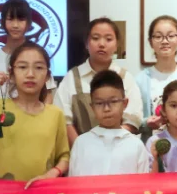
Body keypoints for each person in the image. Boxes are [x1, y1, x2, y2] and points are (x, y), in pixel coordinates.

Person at [0, 43, 69, 184]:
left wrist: (53, 173)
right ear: (11, 74)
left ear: (47, 76)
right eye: (22, 67)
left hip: (39, 192)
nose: (30, 74)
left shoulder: (55, 114)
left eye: (39, 68)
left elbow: (64, 157)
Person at [55, 17, 143, 146]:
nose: (102, 44)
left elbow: (133, 119)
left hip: (119, 148)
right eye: (95, 38)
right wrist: (82, 147)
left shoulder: (125, 78)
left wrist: (109, 145)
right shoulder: (72, 78)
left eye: (108, 39)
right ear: (86, 44)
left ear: (116, 45)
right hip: (81, 150)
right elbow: (64, 120)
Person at [68, 70, 151, 177]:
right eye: (99, 103)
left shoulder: (136, 145)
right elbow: (74, 182)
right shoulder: (81, 143)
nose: (106, 109)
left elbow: (142, 184)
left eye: (113, 101)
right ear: (92, 107)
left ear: (125, 103)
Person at [0, 0, 56, 103]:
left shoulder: (40, 55)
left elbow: (48, 95)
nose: (15, 25)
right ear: (2, 22)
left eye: (20, 20)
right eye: (10, 19)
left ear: (29, 23)